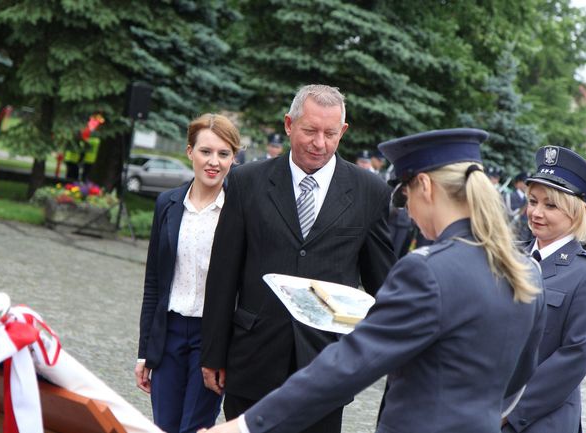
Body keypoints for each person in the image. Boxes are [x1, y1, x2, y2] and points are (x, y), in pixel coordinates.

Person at [200, 128, 546, 433]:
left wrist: (247, 425)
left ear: (424, 186)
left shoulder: (428, 272)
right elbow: (521, 373)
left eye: (406, 196)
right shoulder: (526, 271)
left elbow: (349, 365)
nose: (408, 211)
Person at [199, 84, 396, 433]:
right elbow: (223, 273)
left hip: (326, 367)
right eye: (310, 130)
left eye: (330, 133)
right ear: (289, 125)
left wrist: (377, 358)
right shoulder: (247, 182)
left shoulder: (370, 192)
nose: (319, 143)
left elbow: (383, 285)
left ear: (343, 132)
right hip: (252, 359)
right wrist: (213, 353)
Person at [136, 113, 241, 433]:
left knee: (195, 427)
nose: (214, 162)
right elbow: (154, 281)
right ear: (189, 152)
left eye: (224, 154)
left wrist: (224, 351)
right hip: (168, 334)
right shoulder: (168, 203)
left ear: (233, 158)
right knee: (163, 426)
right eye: (206, 151)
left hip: (212, 338)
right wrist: (144, 351)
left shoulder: (240, 210)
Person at [502, 145, 586, 433]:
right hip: (484, 407)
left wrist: (509, 413)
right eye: (533, 201)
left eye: (550, 205)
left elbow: (574, 357)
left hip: (538, 419)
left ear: (575, 213)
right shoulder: (510, 259)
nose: (536, 212)